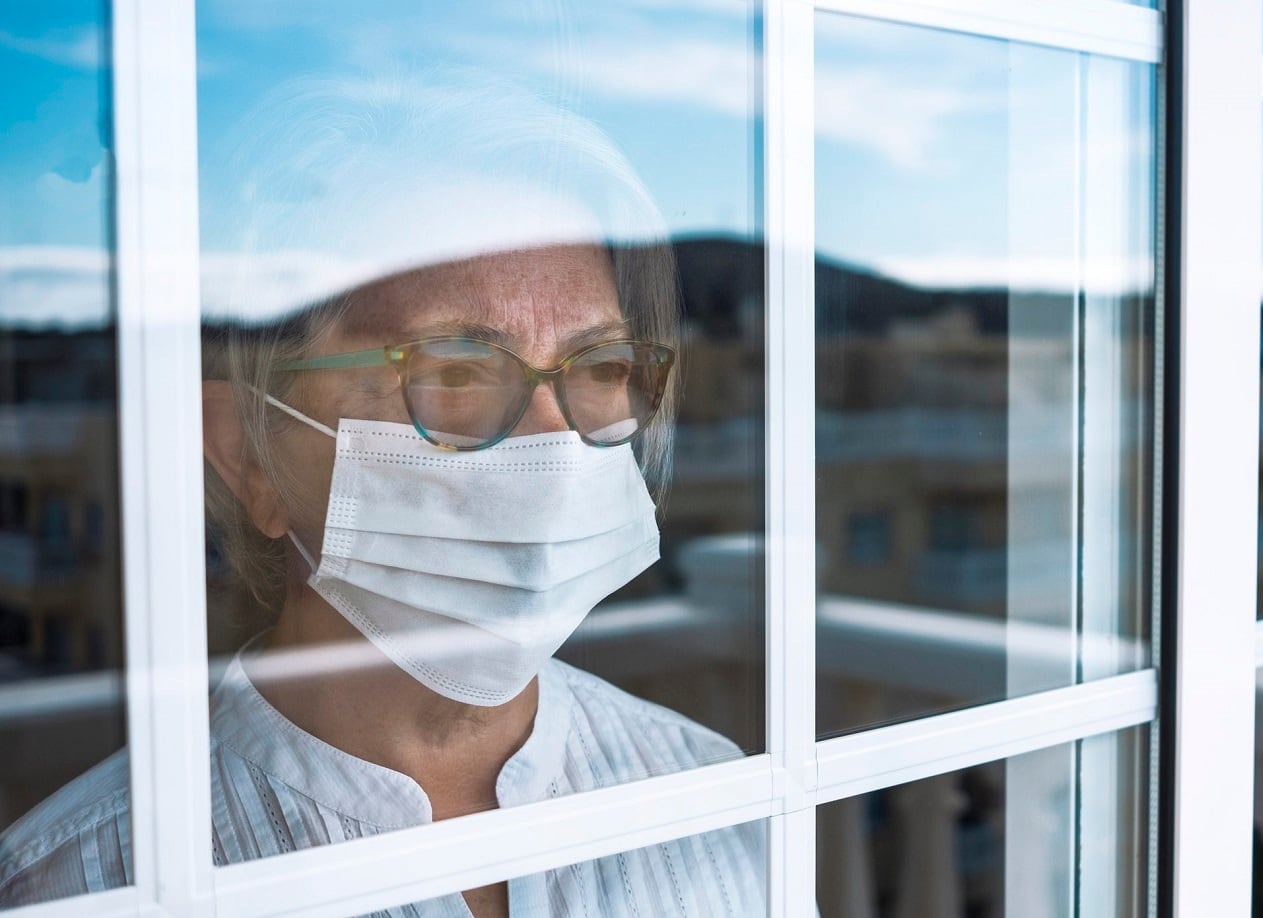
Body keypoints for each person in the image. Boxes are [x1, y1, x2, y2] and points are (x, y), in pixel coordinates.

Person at [0, 74, 765, 916]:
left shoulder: (715, 800)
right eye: (457, 371)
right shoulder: (85, 885)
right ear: (247, 455)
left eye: (603, 367)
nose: (556, 439)